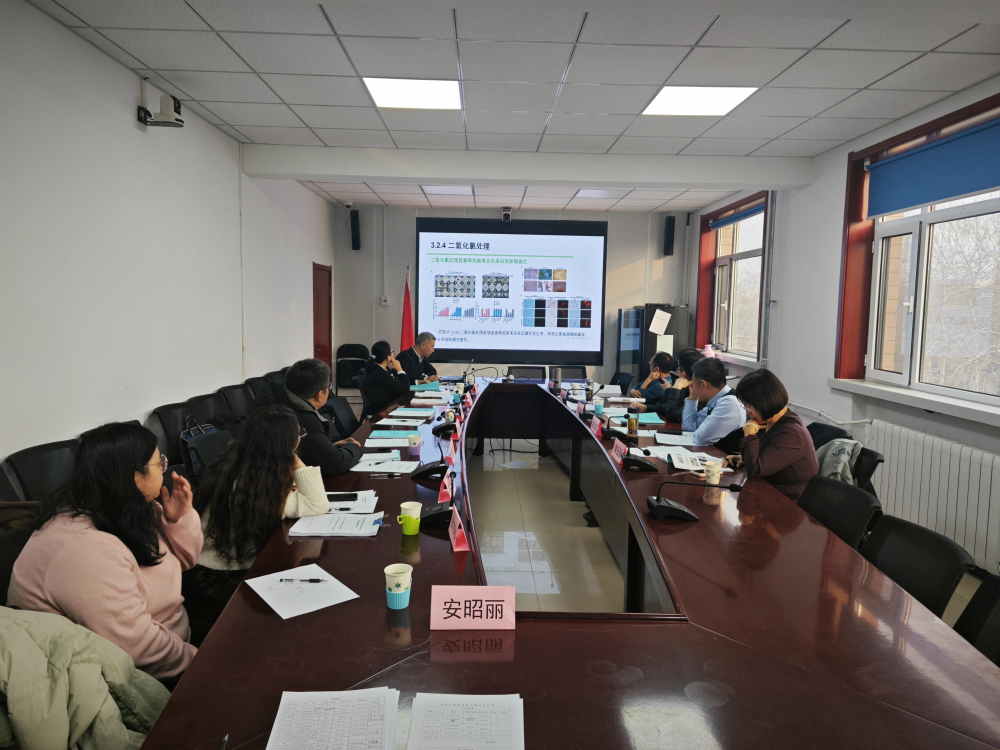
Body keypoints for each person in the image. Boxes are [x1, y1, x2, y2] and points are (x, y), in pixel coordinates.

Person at [8, 423, 202, 680]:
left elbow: (187, 561)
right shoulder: (83, 548)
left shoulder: (132, 509)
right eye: (160, 464)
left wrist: (178, 519)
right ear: (134, 475)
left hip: (174, 644)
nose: (165, 469)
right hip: (127, 677)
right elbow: (137, 648)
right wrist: (201, 662)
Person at [182, 406, 329, 641]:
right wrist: (293, 457)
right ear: (284, 445)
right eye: (298, 435)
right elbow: (317, 504)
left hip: (211, 566)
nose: (300, 439)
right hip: (217, 576)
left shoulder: (239, 465)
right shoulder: (257, 489)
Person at [252, 358, 362, 476]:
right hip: (281, 480)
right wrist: (354, 447)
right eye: (329, 387)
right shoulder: (302, 418)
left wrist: (329, 445)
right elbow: (335, 463)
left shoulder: (273, 391)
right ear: (319, 395)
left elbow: (307, 447)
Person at [727, 369, 818, 500]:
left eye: (749, 406)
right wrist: (743, 458)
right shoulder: (770, 421)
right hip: (766, 491)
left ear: (764, 402)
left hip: (787, 502)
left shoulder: (792, 433)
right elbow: (765, 456)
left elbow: (755, 469)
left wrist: (749, 433)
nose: (747, 412)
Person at [682, 357, 746, 452]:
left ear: (703, 384)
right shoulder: (717, 400)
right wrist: (693, 398)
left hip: (726, 458)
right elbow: (689, 428)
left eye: (693, 383)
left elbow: (700, 438)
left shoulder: (729, 404)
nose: (692, 387)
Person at [640, 348, 703, 424]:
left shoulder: (698, 393)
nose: (677, 371)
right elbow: (671, 406)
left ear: (684, 374)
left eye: (678, 368)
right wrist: (647, 407)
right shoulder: (689, 388)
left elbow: (671, 415)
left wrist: (676, 388)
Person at [362, 341, 411, 414]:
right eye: (392, 351)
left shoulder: (384, 369)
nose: (393, 353)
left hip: (387, 407)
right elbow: (405, 387)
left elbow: (399, 386)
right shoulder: (379, 373)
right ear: (388, 357)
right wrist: (399, 369)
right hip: (380, 412)